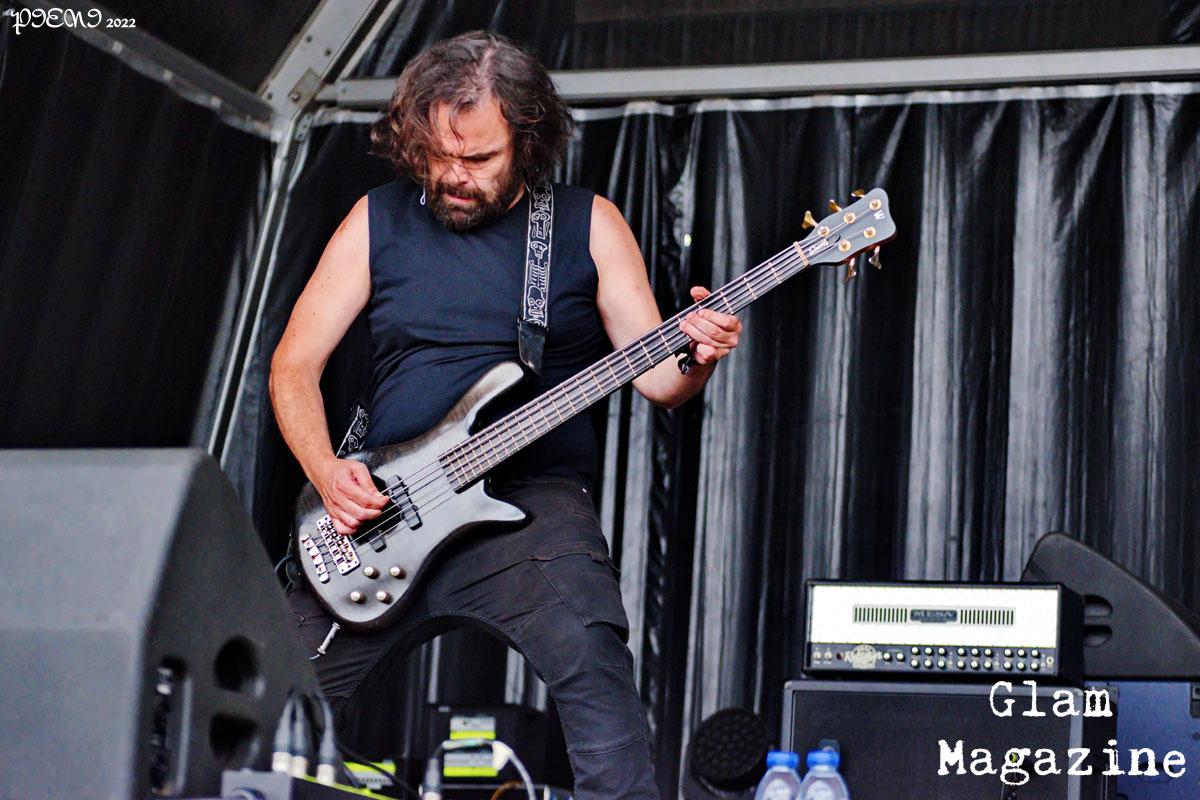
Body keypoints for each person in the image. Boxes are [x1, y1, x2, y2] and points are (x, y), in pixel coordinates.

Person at [269, 30, 742, 798]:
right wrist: (326, 472)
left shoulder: (588, 225)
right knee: (273, 710)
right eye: (438, 154)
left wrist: (700, 355)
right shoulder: (376, 218)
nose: (454, 176)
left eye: (479, 158)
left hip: (533, 507)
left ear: (528, 141)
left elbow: (660, 378)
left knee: (598, 685)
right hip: (383, 508)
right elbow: (294, 364)